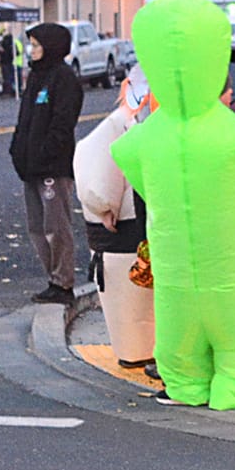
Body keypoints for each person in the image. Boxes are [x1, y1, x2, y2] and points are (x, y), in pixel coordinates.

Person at [110, 0, 235, 410]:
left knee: (177, 334)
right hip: (231, 265)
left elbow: (132, 168)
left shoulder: (146, 137)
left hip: (175, 268)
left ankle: (186, 383)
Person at [74, 65, 155, 373]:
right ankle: (139, 351)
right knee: (135, 303)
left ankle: (138, 350)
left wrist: (104, 204)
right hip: (125, 227)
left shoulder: (125, 123)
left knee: (136, 304)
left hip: (125, 227)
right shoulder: (122, 124)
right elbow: (98, 173)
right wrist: (105, 205)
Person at [9, 22, 85, 304]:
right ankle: (52, 278)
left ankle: (63, 282)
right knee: (37, 227)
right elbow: (24, 120)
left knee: (56, 225)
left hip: (53, 167)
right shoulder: (35, 77)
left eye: (36, 45)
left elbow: (62, 124)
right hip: (31, 167)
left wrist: (44, 153)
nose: (32, 50)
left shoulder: (64, 79)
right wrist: (17, 151)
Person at [0, 27, 17, 99]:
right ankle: (9, 91)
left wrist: (1, 51)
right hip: (10, 62)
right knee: (9, 77)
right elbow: (16, 52)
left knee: (6, 77)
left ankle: (7, 91)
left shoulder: (3, 42)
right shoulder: (12, 43)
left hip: (5, 62)